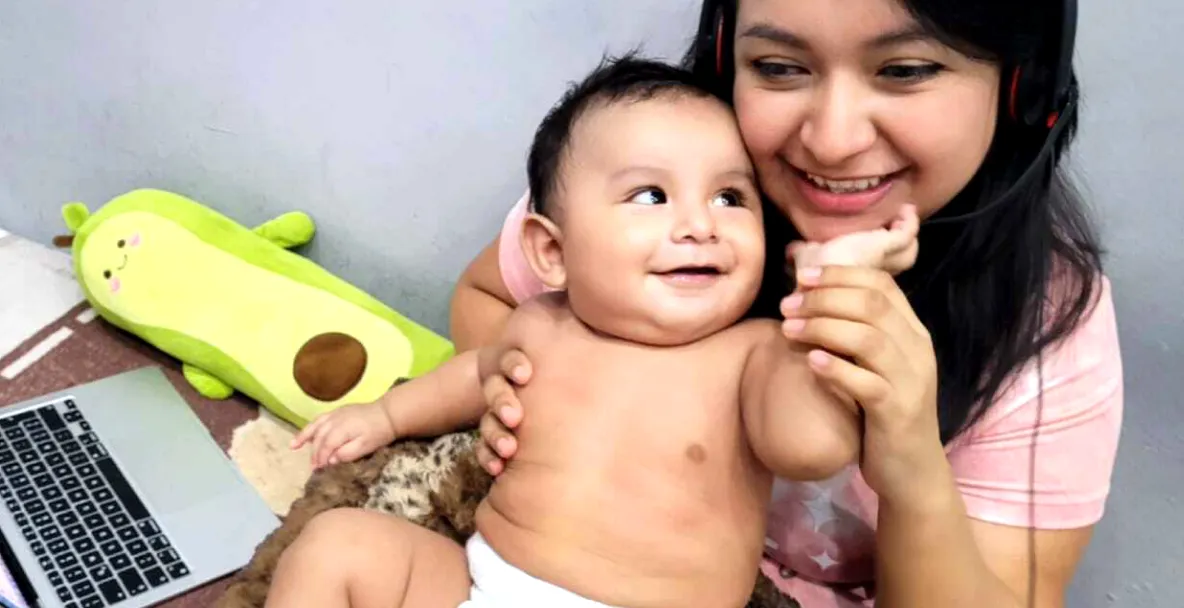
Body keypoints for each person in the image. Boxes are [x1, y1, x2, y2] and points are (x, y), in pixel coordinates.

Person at [450, 1, 1123, 607]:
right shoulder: (657, 191)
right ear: (726, 56)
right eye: (777, 66)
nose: (832, 140)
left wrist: (913, 473)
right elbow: (487, 296)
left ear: (1024, 88)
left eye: (906, 70)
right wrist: (517, 395)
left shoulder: (1046, 322)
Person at [270, 55, 920, 608]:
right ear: (552, 252)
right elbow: (473, 376)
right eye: (651, 196)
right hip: (486, 587)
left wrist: (828, 296)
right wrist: (384, 416)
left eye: (730, 197)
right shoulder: (540, 323)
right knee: (339, 544)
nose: (701, 225)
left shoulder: (754, 353)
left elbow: (813, 445)